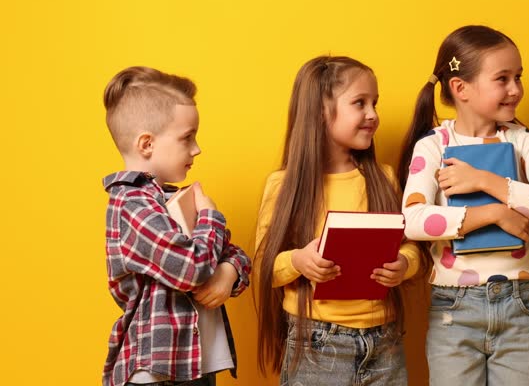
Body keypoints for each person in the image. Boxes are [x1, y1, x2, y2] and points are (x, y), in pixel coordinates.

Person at [398, 25, 529, 385]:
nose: (516, 89)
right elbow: (413, 220)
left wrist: (483, 180)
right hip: (454, 307)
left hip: (519, 304)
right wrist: (494, 214)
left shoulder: (523, 142)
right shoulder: (433, 146)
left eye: (518, 77)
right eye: (502, 79)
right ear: (460, 88)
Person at [255, 56, 421, 385]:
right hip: (316, 342)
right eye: (360, 103)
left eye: (375, 103)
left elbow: (412, 246)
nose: (373, 114)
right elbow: (263, 266)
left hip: (385, 341)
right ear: (320, 111)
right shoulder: (284, 185)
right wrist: (299, 261)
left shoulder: (384, 178)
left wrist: (404, 263)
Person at [101, 66, 251, 386]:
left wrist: (228, 273)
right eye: (187, 137)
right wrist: (210, 216)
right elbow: (191, 269)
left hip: (197, 365)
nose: (197, 149)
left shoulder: (173, 199)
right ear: (146, 144)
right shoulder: (131, 206)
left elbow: (234, 253)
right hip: (156, 373)